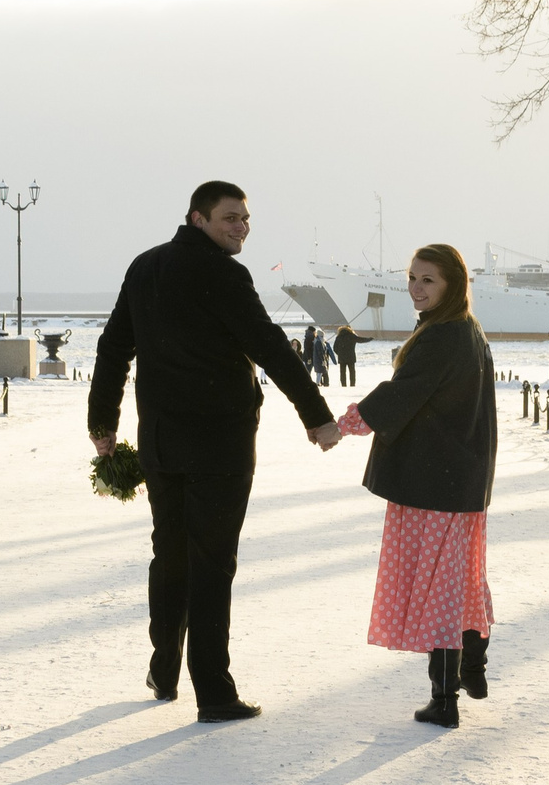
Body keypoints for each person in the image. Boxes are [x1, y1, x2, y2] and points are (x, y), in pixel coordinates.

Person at [90, 181, 340, 722]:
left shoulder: (145, 267)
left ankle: (163, 668)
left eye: (246, 219)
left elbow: (113, 349)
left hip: (162, 442)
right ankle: (214, 692)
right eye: (230, 218)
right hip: (220, 444)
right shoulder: (224, 274)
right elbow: (269, 344)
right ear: (198, 218)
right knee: (210, 564)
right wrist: (316, 416)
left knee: (171, 555)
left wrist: (102, 423)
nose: (241, 227)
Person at [327, 244, 497, 729]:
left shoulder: (444, 336)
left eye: (428, 281)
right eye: (413, 278)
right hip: (460, 479)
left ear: (452, 286)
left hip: (436, 481)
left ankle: (445, 700)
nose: (416, 289)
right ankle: (473, 668)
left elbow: (400, 395)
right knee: (461, 580)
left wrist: (344, 426)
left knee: (441, 588)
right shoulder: (466, 331)